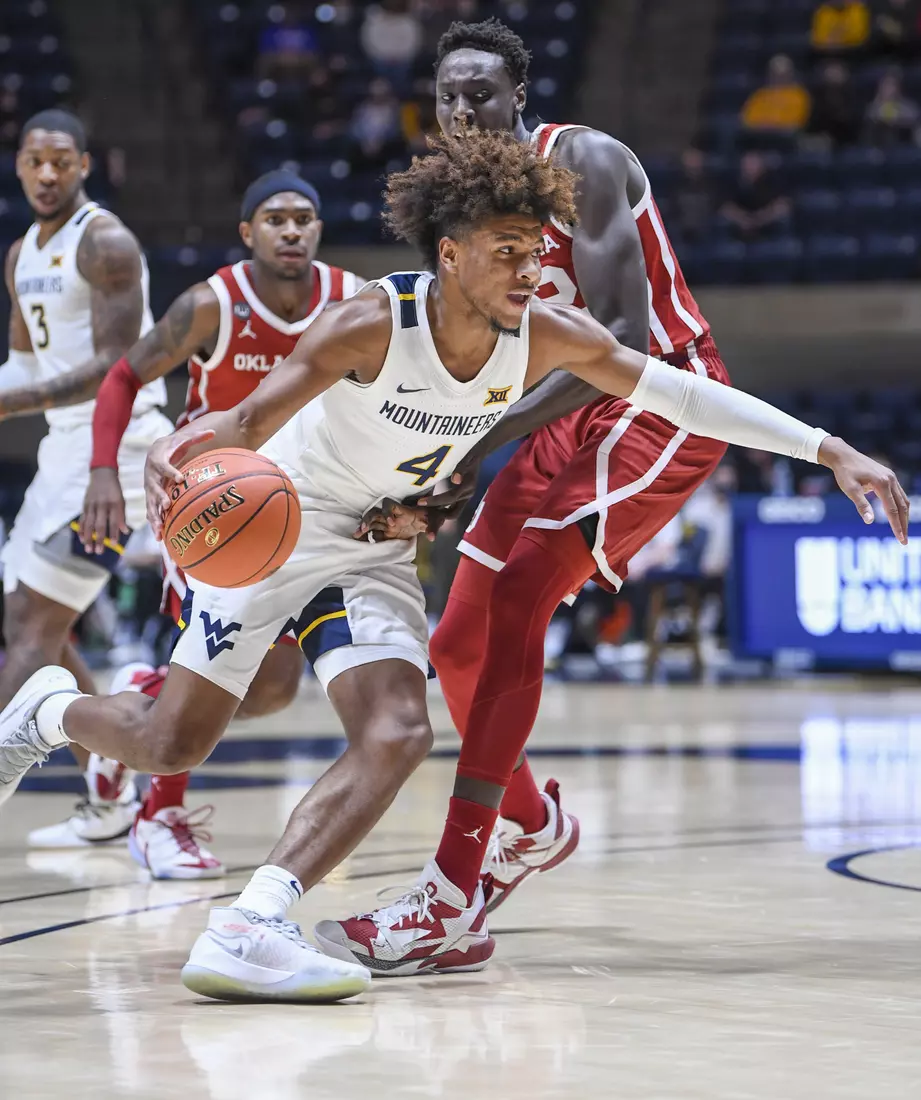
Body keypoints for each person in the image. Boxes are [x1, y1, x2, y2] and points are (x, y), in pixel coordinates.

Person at [0, 128, 909, 1001]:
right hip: (281, 522)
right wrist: (179, 454)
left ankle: (250, 925)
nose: (530, 269)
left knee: (399, 731)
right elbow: (243, 424)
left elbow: (681, 392)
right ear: (450, 253)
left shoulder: (547, 333)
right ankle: (51, 710)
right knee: (172, 742)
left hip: (377, 545)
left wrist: (826, 448)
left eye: (534, 250)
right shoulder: (369, 322)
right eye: (508, 251)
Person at [307, 22, 908, 977]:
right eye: (448, 96)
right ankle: (531, 826)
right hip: (555, 414)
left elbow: (621, 340)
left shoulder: (578, 158)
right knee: (457, 642)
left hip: (657, 397)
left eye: (482, 93)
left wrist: (472, 445)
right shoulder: (466, 209)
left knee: (513, 605)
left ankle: (450, 895)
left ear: (518, 97)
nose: (463, 110)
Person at [30, 170, 363, 877]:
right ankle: (160, 817)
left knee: (271, 688)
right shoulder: (213, 303)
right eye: (275, 218)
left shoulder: (348, 301)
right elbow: (123, 375)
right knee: (229, 664)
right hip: (214, 500)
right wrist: (100, 473)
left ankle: (136, 715)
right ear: (248, 233)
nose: (292, 230)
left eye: (304, 218)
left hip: (307, 500)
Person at [0, 108, 171, 843]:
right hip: (61, 451)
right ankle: (108, 784)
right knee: (30, 624)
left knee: (35, 632)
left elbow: (116, 367)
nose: (46, 174)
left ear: (84, 166)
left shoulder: (105, 241)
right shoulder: (20, 253)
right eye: (34, 160)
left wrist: (13, 402)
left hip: (116, 452)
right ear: (18, 164)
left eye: (60, 162)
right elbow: (24, 365)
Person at [719, 151, 792, 241]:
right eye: (747, 163)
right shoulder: (732, 181)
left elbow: (783, 206)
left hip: (769, 227)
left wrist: (760, 219)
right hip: (738, 229)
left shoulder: (773, 180)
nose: (750, 167)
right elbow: (725, 207)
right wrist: (743, 220)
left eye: (754, 163)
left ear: (762, 166)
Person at [740, 55, 812, 136]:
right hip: (759, 139)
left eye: (783, 74)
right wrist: (766, 126)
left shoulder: (799, 95)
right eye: (775, 73)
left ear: (790, 74)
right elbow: (747, 121)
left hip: (786, 141)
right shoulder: (760, 94)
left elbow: (795, 124)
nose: (778, 77)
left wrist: (771, 125)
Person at [806, 61, 860, 147]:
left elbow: (852, 119)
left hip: (848, 138)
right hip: (822, 136)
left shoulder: (852, 93)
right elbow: (814, 120)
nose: (834, 74)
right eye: (831, 70)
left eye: (837, 71)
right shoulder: (818, 94)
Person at [863, 70, 921, 146]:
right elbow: (869, 123)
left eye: (893, 85)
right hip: (880, 147)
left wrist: (899, 120)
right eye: (886, 85)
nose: (890, 89)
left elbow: (915, 119)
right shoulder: (873, 107)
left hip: (905, 146)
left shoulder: (908, 106)